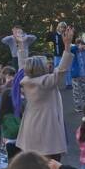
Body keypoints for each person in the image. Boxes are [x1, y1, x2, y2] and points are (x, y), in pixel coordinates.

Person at [16, 28, 73, 161]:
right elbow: (62, 69)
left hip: (30, 125)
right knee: (51, 162)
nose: (49, 64)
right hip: (47, 126)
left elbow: (22, 64)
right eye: (45, 63)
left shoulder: (25, 80)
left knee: (34, 162)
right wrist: (67, 45)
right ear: (41, 68)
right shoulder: (47, 82)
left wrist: (22, 45)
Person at [69, 38, 85, 111]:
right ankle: (77, 106)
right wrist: (77, 47)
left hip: (84, 75)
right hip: (75, 75)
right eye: (79, 44)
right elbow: (70, 49)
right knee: (76, 91)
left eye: (82, 44)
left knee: (84, 90)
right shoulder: (74, 52)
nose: (81, 46)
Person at [48, 21, 72, 90]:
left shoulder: (66, 34)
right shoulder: (55, 34)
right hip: (57, 55)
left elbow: (70, 42)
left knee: (67, 69)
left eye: (64, 27)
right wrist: (50, 31)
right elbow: (48, 39)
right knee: (56, 69)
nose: (62, 29)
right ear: (58, 27)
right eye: (61, 27)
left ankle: (69, 84)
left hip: (65, 54)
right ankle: (55, 84)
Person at [0, 88, 21, 160]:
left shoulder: (13, 113)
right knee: (14, 162)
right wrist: (24, 125)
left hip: (16, 142)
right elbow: (14, 130)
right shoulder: (7, 116)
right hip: (12, 143)